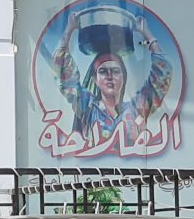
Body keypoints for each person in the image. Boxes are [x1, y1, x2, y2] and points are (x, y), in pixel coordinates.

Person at [52, 12, 172, 146]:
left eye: (115, 71)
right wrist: (68, 30)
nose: (109, 76)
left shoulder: (136, 108)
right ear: (95, 79)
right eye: (103, 71)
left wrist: (147, 34)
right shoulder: (87, 107)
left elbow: (163, 74)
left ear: (123, 77)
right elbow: (62, 72)